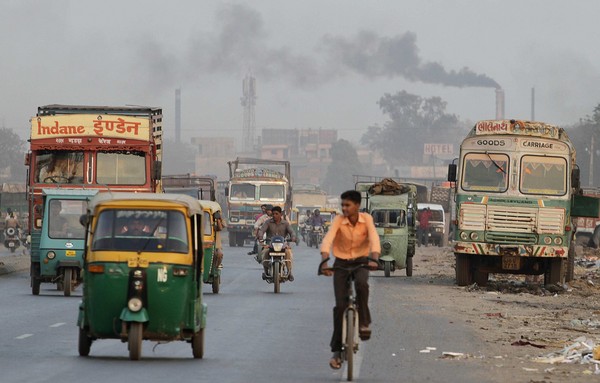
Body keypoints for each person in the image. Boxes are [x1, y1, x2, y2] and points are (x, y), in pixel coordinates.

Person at [319, 190, 380, 370]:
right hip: (341, 264)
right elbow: (327, 240)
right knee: (340, 307)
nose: (344, 208)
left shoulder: (366, 219)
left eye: (348, 205)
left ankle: (364, 323)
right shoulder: (339, 221)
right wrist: (324, 261)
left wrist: (374, 258)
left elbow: (374, 239)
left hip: (361, 262)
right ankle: (336, 352)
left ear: (357, 206)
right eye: (343, 205)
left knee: (362, 284)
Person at [258, 206, 297, 281]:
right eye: (273, 214)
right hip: (270, 244)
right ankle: (266, 272)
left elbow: (292, 231)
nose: (274, 215)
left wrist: (293, 237)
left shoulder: (285, 224)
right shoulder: (268, 222)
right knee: (265, 254)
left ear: (280, 214)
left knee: (288, 254)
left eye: (276, 214)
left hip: (283, 245)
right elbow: (262, 230)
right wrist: (260, 237)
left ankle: (289, 272)